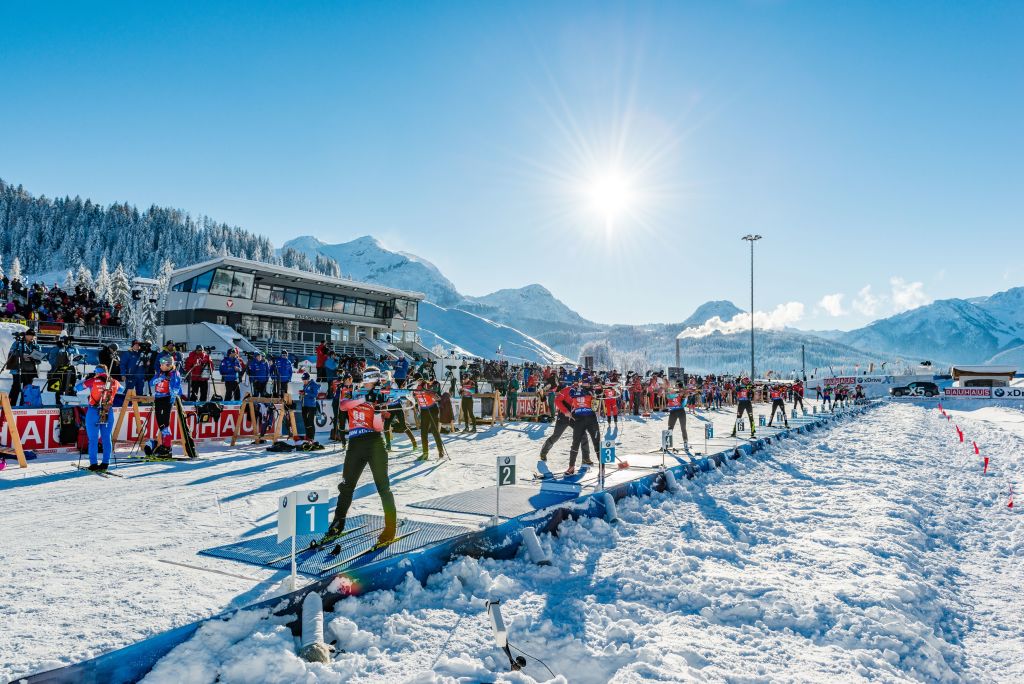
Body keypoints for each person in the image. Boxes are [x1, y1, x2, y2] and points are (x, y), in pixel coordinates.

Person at [327, 367, 397, 545]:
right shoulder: (355, 393)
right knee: (346, 486)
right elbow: (343, 406)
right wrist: (365, 398)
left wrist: (379, 408)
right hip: (355, 443)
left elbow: (378, 427)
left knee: (383, 487)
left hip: (374, 443)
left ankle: (390, 528)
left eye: (371, 381)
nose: (367, 383)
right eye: (366, 380)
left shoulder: (379, 397)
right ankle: (337, 523)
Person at [75, 365, 123, 471]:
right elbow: (121, 390)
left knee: (93, 439)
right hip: (107, 410)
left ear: (96, 372)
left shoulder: (93, 380)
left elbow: (77, 388)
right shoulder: (114, 381)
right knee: (106, 438)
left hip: (93, 411)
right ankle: (106, 462)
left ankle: (94, 464)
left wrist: (89, 382)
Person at [149, 357, 184, 456]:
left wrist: (172, 398)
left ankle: (167, 447)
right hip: (158, 399)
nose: (160, 366)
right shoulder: (160, 373)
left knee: (165, 423)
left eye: (162, 364)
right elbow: (151, 382)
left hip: (167, 399)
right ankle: (164, 446)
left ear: (168, 365)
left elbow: (177, 388)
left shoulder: (174, 373)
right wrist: (160, 378)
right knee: (160, 423)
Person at [564, 379, 600, 475]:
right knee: (575, 442)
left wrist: (594, 396)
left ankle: (602, 466)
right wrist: (580, 391)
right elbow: (571, 393)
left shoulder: (591, 391)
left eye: (587, 383)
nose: (585, 384)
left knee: (596, 442)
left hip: (591, 419)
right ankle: (571, 467)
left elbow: (595, 407)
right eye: (583, 383)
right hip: (579, 419)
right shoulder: (575, 390)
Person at [412, 374, 446, 460]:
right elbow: (414, 397)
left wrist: (429, 392)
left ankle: (441, 451)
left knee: (434, 431)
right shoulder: (415, 388)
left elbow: (437, 397)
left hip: (432, 409)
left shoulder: (427, 385)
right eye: (417, 380)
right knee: (423, 432)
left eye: (419, 380)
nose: (418, 382)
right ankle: (425, 453)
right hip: (424, 410)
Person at [7, 328, 42, 406]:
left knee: (27, 389)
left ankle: (24, 405)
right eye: (30, 335)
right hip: (18, 369)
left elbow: (39, 359)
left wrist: (34, 355)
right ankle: (10, 405)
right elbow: (11, 353)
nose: (32, 337)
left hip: (29, 370)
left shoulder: (35, 345)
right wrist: (21, 354)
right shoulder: (18, 343)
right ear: (26, 335)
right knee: (16, 388)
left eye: (33, 336)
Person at [299, 372, 321, 445]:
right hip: (304, 405)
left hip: (311, 406)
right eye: (303, 380)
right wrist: (301, 394)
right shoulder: (305, 385)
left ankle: (312, 438)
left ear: (308, 379)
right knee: (305, 422)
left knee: (310, 422)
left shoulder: (313, 384)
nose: (304, 381)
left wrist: (306, 393)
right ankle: (308, 437)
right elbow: (305, 394)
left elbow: (315, 395)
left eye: (305, 380)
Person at [665, 382, 690, 447]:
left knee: (683, 428)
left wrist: (686, 397)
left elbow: (683, 404)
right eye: (671, 390)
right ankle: (666, 443)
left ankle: (685, 442)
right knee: (670, 428)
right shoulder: (669, 395)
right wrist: (679, 394)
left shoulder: (679, 395)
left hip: (681, 411)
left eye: (673, 389)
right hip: (673, 412)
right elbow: (670, 396)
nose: (672, 390)